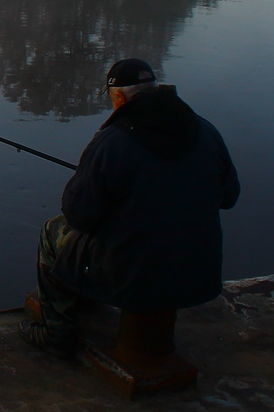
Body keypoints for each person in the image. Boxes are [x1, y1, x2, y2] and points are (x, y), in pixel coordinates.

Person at [20, 58, 241, 358]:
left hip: (132, 275)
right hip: (199, 272)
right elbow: (229, 197)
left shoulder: (113, 141)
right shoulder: (206, 130)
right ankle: (85, 298)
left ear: (120, 97)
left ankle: (57, 334)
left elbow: (79, 214)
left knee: (52, 231)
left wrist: (85, 180)